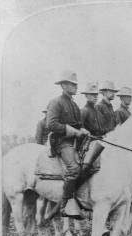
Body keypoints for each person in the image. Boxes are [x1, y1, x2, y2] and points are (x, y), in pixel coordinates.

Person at [45, 70, 90, 218]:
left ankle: (80, 198)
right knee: (74, 168)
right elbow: (51, 124)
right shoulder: (55, 102)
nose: (76, 87)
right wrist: (72, 131)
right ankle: (64, 206)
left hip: (76, 142)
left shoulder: (75, 105)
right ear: (64, 85)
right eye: (73, 84)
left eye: (76, 84)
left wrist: (83, 130)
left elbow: (79, 125)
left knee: (91, 164)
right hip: (61, 142)